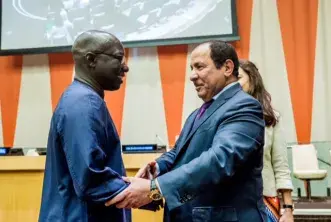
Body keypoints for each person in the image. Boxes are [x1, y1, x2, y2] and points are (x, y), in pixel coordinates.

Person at [106, 41, 267, 221]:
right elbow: (179, 152)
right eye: (191, 68)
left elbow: (220, 159)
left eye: (200, 67)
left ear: (227, 68)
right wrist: (157, 168)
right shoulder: (199, 112)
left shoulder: (244, 106)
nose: (192, 76)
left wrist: (156, 188)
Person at [39, 30, 131, 222]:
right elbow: (90, 178)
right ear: (91, 60)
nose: (125, 67)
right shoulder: (83, 103)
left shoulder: (81, 99)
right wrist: (151, 191)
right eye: (118, 58)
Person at [238, 59, 294, 222]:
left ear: (253, 80)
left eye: (239, 77)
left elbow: (281, 166)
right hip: (229, 205)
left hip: (264, 202)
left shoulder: (271, 119)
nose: (234, 84)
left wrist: (288, 209)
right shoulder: (220, 118)